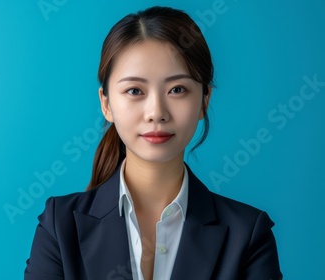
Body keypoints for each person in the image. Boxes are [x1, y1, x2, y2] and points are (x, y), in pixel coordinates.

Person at [24, 6, 282, 280]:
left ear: (204, 100)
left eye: (177, 89)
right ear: (106, 103)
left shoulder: (248, 234)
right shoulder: (59, 226)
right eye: (135, 90)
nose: (156, 112)